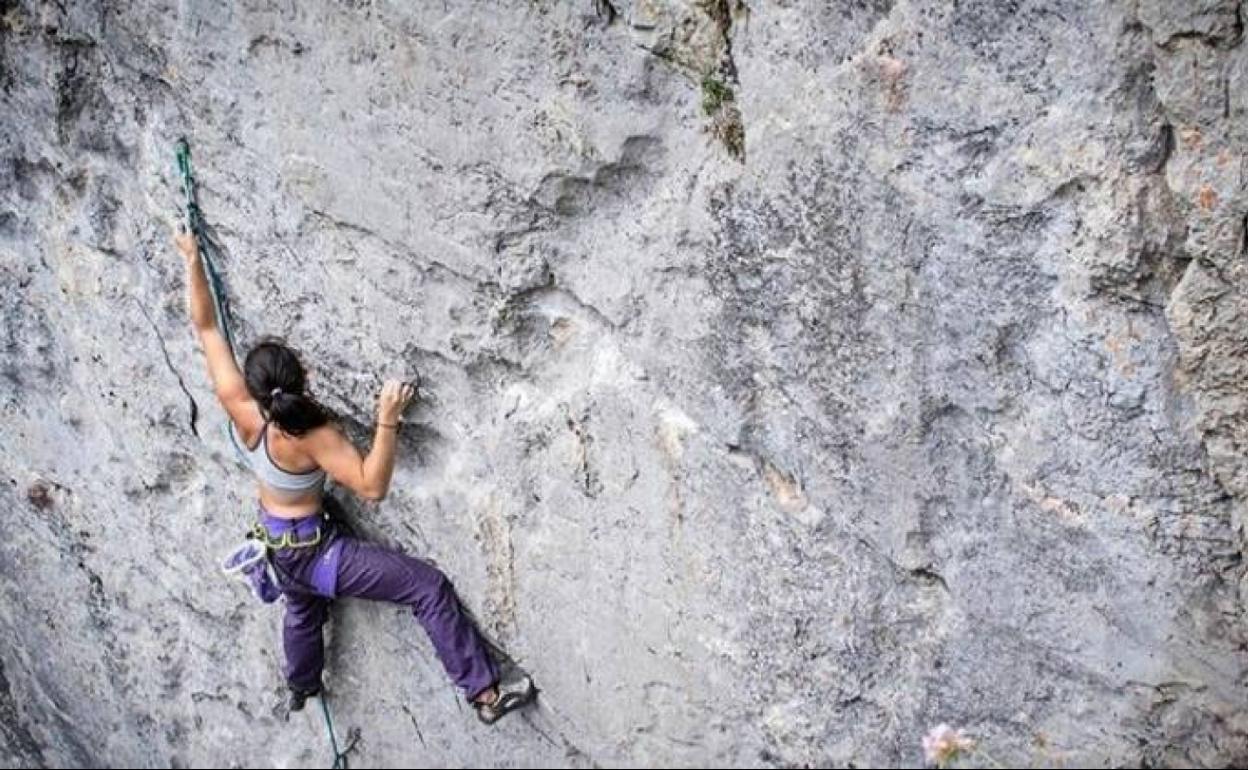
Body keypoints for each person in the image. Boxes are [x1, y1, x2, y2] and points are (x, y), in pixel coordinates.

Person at [175, 230, 533, 724]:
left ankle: (300, 685)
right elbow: (370, 486)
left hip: (276, 546)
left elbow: (207, 328)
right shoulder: (311, 435)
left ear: (254, 390)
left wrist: (193, 260)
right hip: (315, 552)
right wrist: (387, 417)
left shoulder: (242, 411)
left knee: (301, 610)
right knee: (426, 588)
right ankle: (487, 697)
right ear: (304, 376)